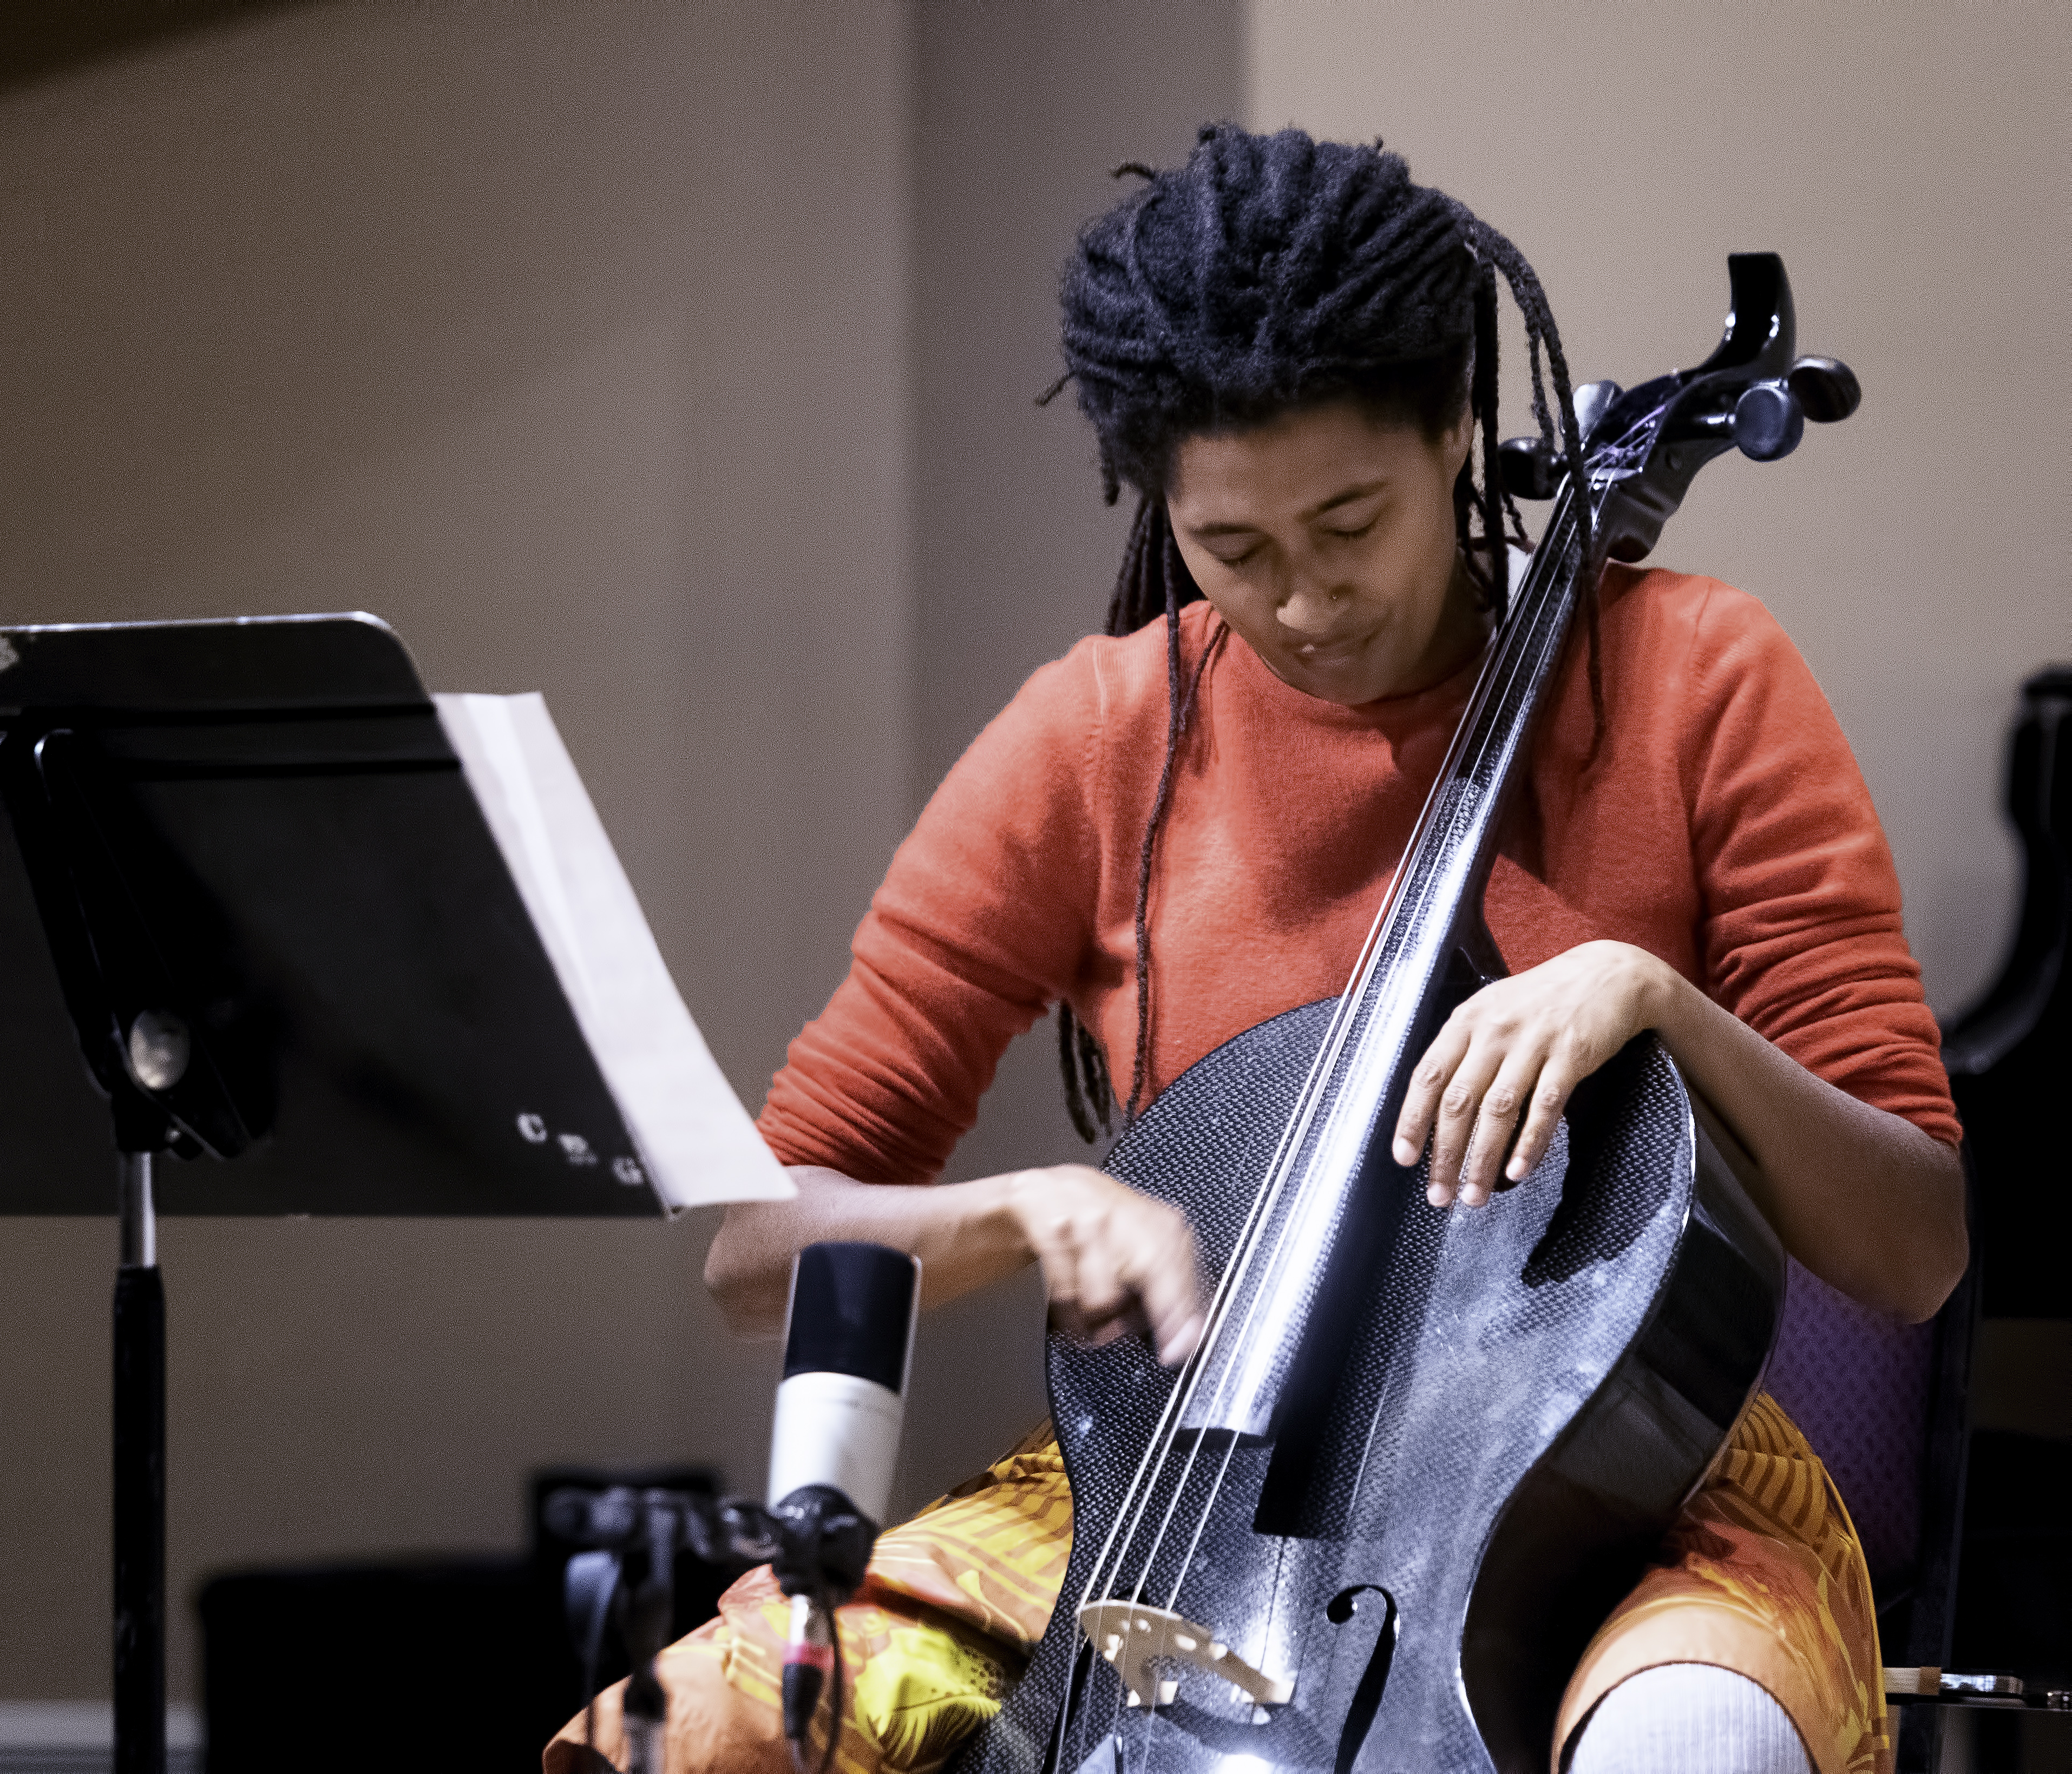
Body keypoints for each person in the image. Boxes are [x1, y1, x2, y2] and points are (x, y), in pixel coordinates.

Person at [549, 125, 1964, 1774]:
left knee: (1690, 1751)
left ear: (1454, 430)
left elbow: (1913, 1244)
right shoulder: (1097, 737)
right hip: (1170, 1492)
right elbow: (757, 1250)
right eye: (1235, 550)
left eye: (1350, 522)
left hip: (1640, 1478)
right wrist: (1006, 1212)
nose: (1302, 605)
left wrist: (1662, 1010)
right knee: (705, 1734)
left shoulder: (1701, 676)